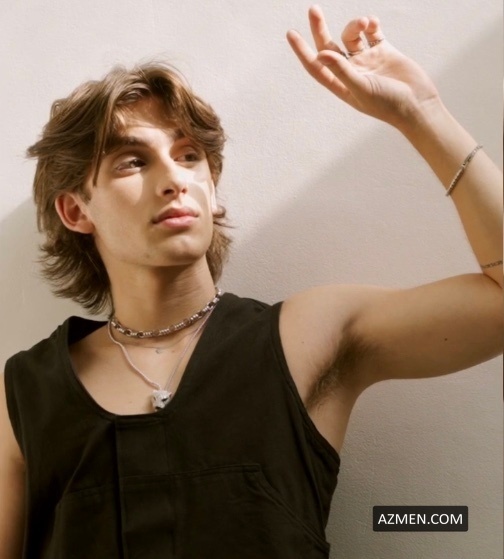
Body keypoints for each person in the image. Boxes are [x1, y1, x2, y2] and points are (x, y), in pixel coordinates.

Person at [0, 6, 502, 558]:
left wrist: (421, 113)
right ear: (76, 210)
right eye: (132, 162)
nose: (174, 179)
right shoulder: (23, 394)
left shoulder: (304, 338)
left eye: (189, 156)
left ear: (212, 191)